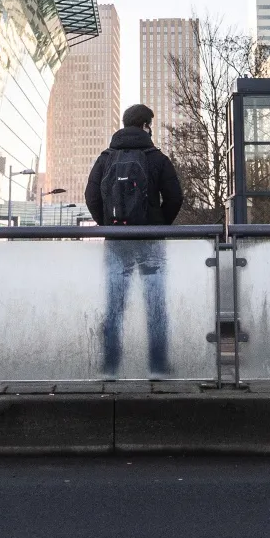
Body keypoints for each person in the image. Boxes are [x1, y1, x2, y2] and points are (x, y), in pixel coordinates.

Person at [85, 104, 184, 377]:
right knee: (155, 303)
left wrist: (109, 226)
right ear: (145, 126)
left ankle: (110, 367)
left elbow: (91, 197)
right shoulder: (157, 159)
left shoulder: (105, 158)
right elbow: (175, 197)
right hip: (150, 241)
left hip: (117, 241)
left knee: (114, 303)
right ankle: (158, 366)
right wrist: (159, 225)